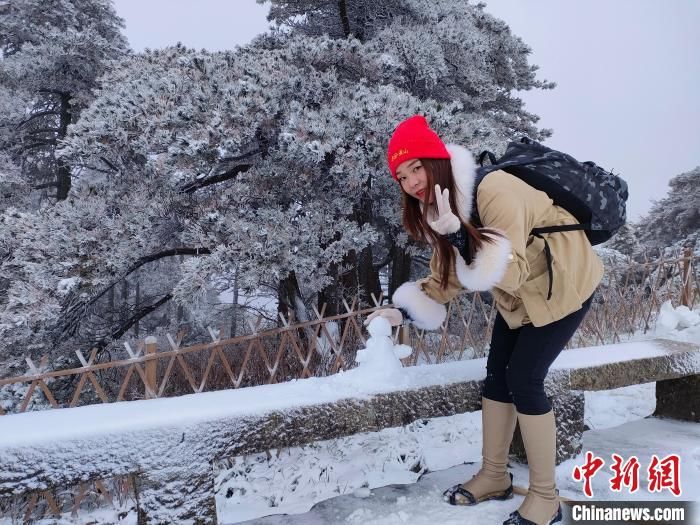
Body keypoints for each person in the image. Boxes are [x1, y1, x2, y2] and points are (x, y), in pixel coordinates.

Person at [367, 115, 603, 525]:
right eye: (401, 176)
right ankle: (494, 475)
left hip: (564, 285)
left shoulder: (495, 191)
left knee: (524, 378)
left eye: (416, 167)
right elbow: (451, 274)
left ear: (437, 161)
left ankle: (545, 498)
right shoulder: (443, 207)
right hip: (520, 299)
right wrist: (405, 307)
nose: (411, 182)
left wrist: (460, 235)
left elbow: (509, 271)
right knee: (496, 377)